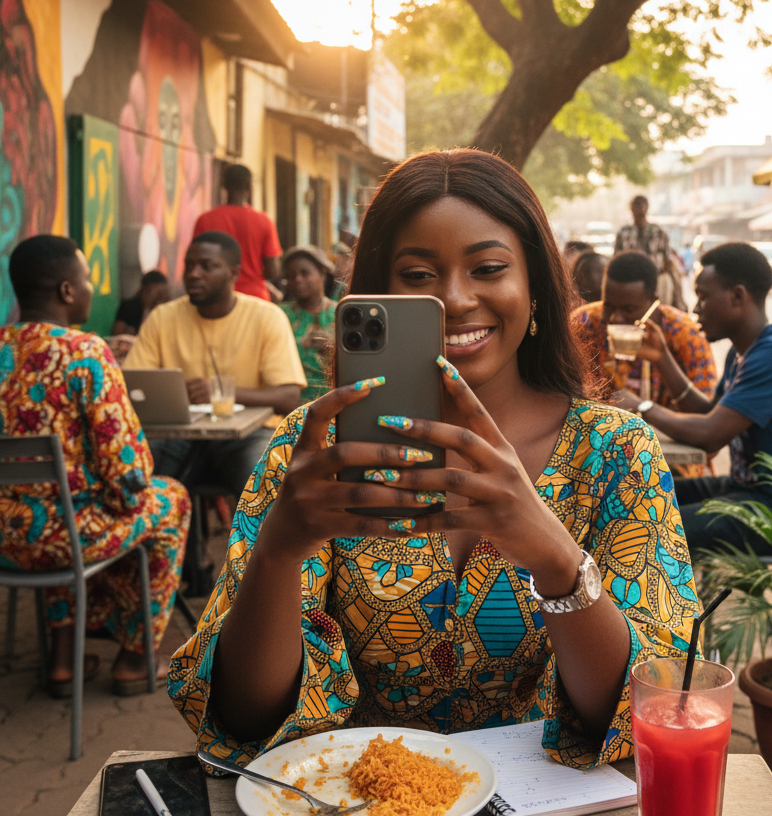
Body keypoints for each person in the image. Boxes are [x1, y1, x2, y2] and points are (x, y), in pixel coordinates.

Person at [168, 149, 699, 769]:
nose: (453, 298)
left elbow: (654, 704)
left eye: (489, 268)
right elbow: (244, 717)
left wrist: (555, 559)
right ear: (377, 292)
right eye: (417, 276)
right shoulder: (311, 452)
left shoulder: (615, 452)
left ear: (535, 289)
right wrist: (278, 555)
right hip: (360, 801)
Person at [0, 235, 190, 696]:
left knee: (55, 505)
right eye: (86, 279)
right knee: (171, 499)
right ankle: (135, 659)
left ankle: (63, 660)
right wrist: (122, 496)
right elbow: (131, 476)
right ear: (65, 291)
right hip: (61, 541)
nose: (90, 287)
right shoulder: (84, 353)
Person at [624, 242, 772, 554]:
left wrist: (640, 406)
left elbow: (710, 437)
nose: (696, 308)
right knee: (633, 499)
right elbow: (710, 413)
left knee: (645, 529)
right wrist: (662, 358)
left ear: (737, 296)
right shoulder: (745, 352)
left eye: (703, 296)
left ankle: (666, 603)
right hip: (747, 491)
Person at [123, 231, 306, 503]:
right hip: (177, 435)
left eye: (207, 266)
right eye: (189, 265)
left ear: (234, 273)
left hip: (250, 436)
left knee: (263, 483)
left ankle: (259, 546)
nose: (194, 274)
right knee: (135, 479)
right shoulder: (163, 318)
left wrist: (220, 392)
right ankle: (169, 544)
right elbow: (131, 385)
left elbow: (289, 397)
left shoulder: (267, 317)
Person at [571, 251, 716, 476]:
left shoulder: (684, 335)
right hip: (595, 459)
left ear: (653, 301)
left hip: (671, 466)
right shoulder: (584, 325)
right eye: (609, 306)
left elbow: (707, 423)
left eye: (629, 309)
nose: (616, 318)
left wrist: (663, 359)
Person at [193, 164, 283, 301]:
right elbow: (273, 271)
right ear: (249, 187)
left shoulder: (205, 220)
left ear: (224, 187)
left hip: (216, 298)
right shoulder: (264, 221)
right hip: (255, 298)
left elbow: (195, 261)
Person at [280, 245, 337, 402]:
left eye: (305, 273)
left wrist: (331, 349)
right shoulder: (280, 315)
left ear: (322, 273)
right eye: (292, 276)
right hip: (290, 404)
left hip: (333, 401)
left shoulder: (340, 313)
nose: (298, 279)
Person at [614, 196, 684, 310]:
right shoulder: (624, 232)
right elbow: (616, 258)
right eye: (637, 205)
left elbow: (667, 259)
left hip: (655, 281)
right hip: (630, 282)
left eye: (643, 205)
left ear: (647, 208)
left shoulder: (658, 231)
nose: (640, 208)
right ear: (631, 208)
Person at [111, 270, 170, 335]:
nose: (160, 297)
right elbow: (118, 333)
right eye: (157, 293)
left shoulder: (168, 311)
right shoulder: (128, 307)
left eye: (163, 293)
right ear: (143, 291)